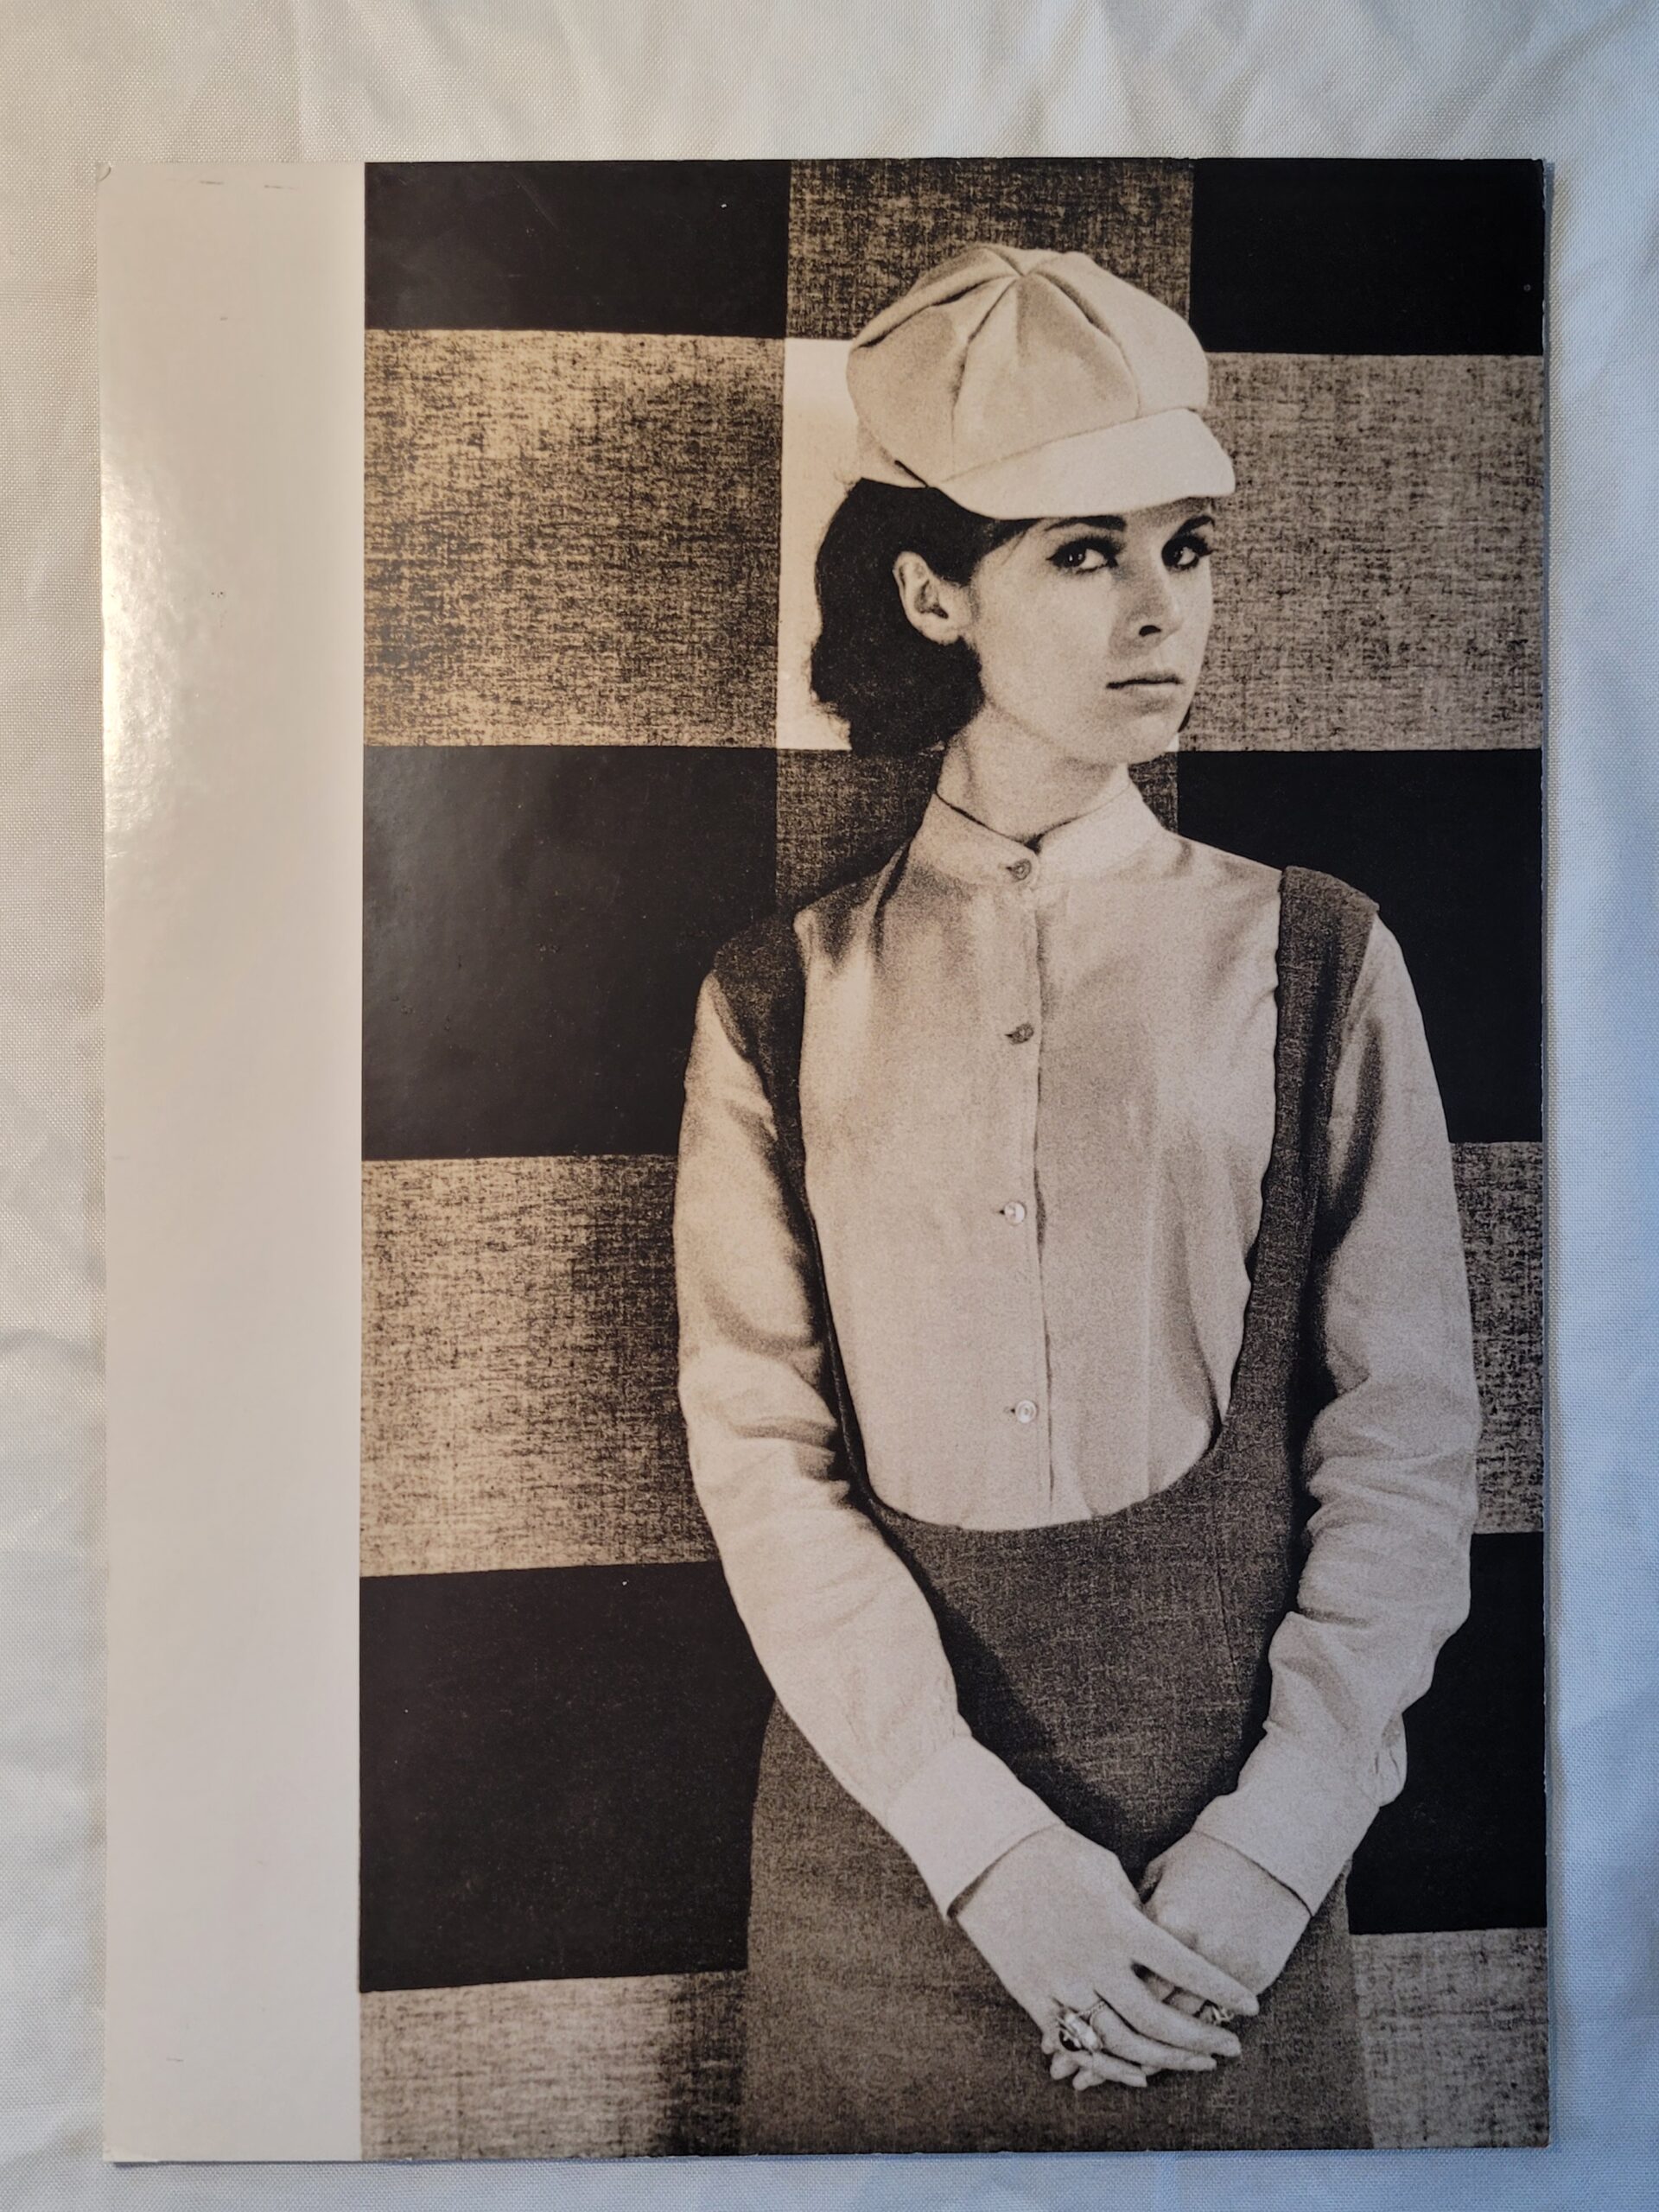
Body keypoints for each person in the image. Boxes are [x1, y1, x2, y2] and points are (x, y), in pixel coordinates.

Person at [672, 243, 1482, 2153]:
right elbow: (760, 1455)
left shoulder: (1322, 959)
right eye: (1083, 549)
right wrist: (992, 1861)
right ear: (932, 586)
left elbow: (1410, 1436)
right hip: (898, 1872)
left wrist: (1272, 1854)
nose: (1160, 611)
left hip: (1239, 1888)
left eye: (1187, 546)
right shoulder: (781, 994)